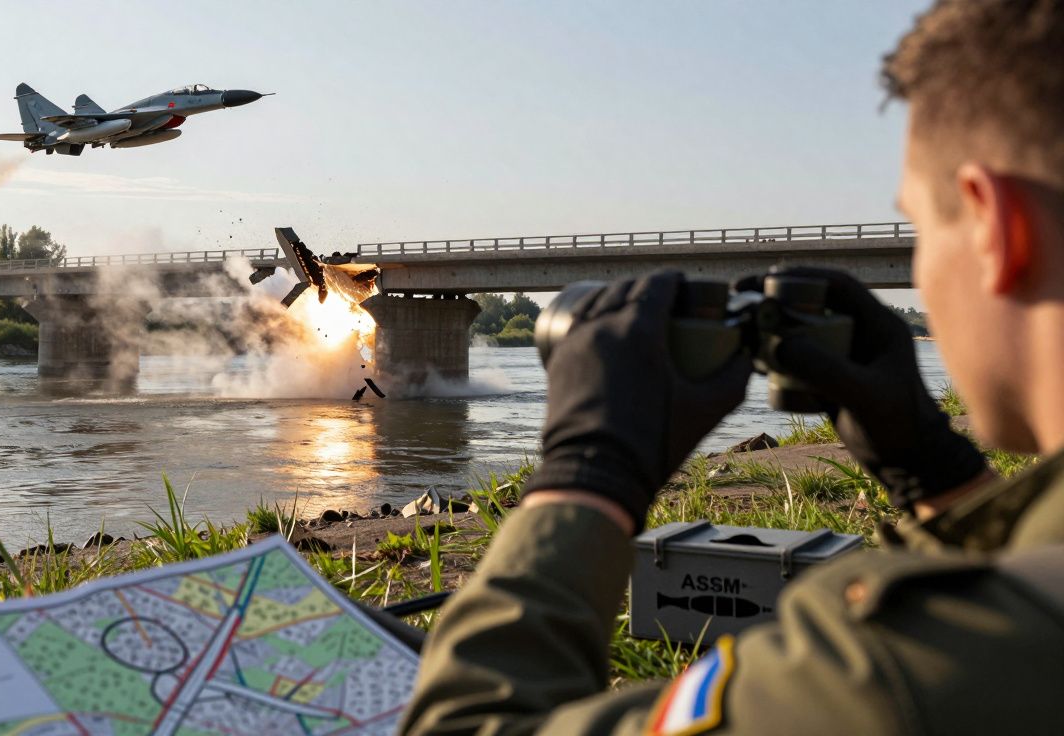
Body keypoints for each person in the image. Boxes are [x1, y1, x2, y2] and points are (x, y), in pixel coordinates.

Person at [401, 1, 1064, 733]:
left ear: (997, 228)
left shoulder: (891, 678)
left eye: (921, 226)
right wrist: (939, 477)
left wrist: (586, 477)